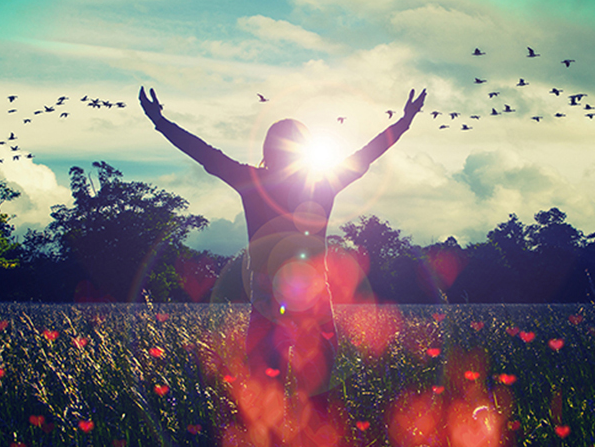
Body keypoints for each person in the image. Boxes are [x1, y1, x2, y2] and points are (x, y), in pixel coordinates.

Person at [139, 86, 426, 444]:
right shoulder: (322, 182)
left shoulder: (252, 180)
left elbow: (205, 155)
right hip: (313, 303)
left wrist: (160, 122)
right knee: (318, 399)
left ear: (267, 150)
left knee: (269, 397)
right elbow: (366, 154)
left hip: (268, 300)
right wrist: (404, 122)